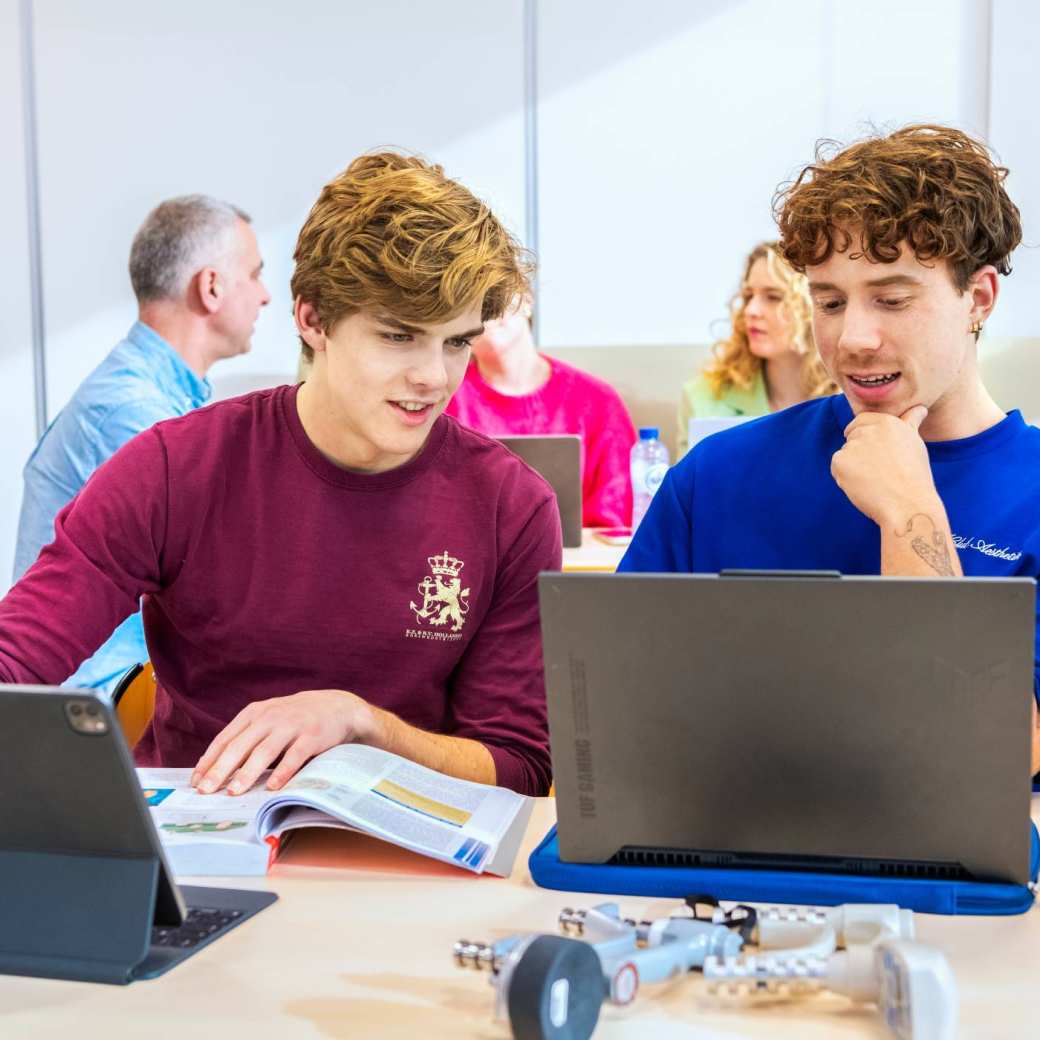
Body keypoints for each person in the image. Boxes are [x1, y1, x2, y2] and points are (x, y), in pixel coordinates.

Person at [0, 152, 560, 797]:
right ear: (313, 319)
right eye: (399, 337)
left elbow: (518, 766)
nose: (434, 377)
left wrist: (363, 724)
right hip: (207, 847)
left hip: (409, 863)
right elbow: (21, 657)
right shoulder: (174, 469)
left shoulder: (511, 506)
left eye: (456, 341)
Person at [620, 124, 1040, 773]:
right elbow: (615, 706)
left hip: (946, 868)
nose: (853, 339)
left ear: (978, 298)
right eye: (830, 301)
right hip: (720, 855)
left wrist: (908, 515)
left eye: (892, 299)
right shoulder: (717, 477)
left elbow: (995, 758)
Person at [13, 195, 271, 693]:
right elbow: (217, 590)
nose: (264, 296)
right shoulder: (134, 415)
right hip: (105, 707)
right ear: (211, 287)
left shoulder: (154, 399)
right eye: (256, 274)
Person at [444, 294, 637, 527]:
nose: (487, 308)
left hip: (574, 561)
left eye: (496, 293)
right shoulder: (442, 399)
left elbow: (617, 517)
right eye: (471, 298)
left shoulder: (599, 402)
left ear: (526, 300)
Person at [676, 241, 835, 456]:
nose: (751, 310)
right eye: (749, 296)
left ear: (815, 305)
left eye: (773, 297)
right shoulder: (702, 398)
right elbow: (688, 489)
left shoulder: (853, 398)